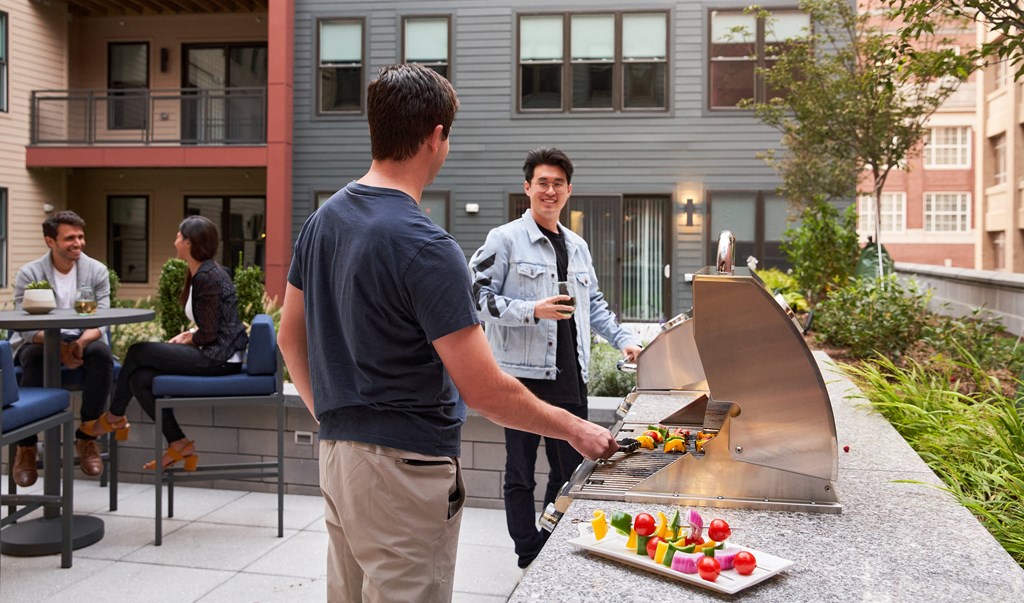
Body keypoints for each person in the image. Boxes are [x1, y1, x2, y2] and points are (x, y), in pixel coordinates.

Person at [278, 64, 618, 603]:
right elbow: (483, 389)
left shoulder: (324, 220)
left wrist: (334, 418)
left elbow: (288, 338)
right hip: (405, 469)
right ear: (437, 137)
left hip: (338, 456)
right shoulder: (428, 247)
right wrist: (574, 428)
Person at [469, 147, 643, 568]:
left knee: (570, 472)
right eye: (542, 182)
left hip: (571, 377)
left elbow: (595, 304)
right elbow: (476, 299)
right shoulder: (504, 239)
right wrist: (533, 310)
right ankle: (527, 550)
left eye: (558, 184)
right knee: (520, 472)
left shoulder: (578, 246)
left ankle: (549, 540)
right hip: (522, 379)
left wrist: (624, 339)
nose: (550, 190)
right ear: (527, 187)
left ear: (569, 191)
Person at [85, 215, 248, 470]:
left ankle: (114, 416)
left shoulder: (209, 276)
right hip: (216, 352)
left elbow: (209, 335)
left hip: (220, 359)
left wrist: (189, 338)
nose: (175, 241)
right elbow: (213, 324)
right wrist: (189, 335)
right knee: (140, 380)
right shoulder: (203, 272)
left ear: (189, 242)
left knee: (137, 351)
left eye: (178, 236)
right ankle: (179, 443)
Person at [10, 210, 115, 486]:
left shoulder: (97, 270)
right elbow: (25, 326)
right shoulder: (29, 273)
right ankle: (27, 446)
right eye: (70, 238)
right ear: (50, 241)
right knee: (33, 357)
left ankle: (88, 437)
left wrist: (79, 343)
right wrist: (59, 349)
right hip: (41, 341)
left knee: (102, 355)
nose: (78, 243)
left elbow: (102, 319)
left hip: (84, 337)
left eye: (81, 236)